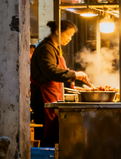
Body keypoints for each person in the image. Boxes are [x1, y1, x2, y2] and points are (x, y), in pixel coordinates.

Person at [30, 20, 91, 148]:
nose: (69, 39)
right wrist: (75, 74)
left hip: (52, 98)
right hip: (43, 99)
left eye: (71, 36)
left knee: (53, 136)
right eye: (68, 35)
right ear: (57, 31)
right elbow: (51, 71)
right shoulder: (46, 48)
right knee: (46, 137)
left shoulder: (54, 49)